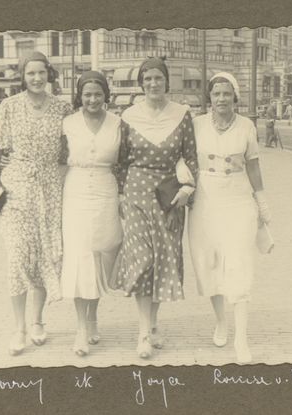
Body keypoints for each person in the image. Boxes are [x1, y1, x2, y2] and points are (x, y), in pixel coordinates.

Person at [0, 51, 72, 356]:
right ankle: (19, 327)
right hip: (17, 189)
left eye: (41, 72)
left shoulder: (62, 108)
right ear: (22, 76)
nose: (36, 78)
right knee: (18, 256)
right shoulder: (8, 107)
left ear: (49, 74)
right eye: (30, 73)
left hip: (49, 191)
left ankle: (37, 321)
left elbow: (69, 152)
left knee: (44, 255)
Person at [110, 57, 198, 359]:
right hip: (137, 193)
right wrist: (122, 194)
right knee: (144, 260)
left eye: (158, 78)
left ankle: (152, 323)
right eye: (147, 79)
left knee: (164, 259)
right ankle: (143, 333)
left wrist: (187, 189)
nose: (153, 83)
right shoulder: (129, 116)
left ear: (166, 81)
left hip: (169, 196)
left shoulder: (182, 115)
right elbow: (121, 160)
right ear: (141, 83)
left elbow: (191, 156)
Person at [187, 72, 272, 364]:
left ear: (235, 97)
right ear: (209, 98)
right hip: (205, 201)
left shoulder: (246, 126)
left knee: (239, 265)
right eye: (216, 94)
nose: (221, 99)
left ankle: (241, 339)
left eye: (226, 94)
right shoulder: (196, 124)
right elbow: (183, 159)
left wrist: (262, 201)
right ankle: (221, 321)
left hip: (238, 200)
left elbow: (254, 166)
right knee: (209, 263)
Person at [60, 71, 124, 357]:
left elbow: (125, 161)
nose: (93, 99)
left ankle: (93, 317)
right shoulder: (68, 124)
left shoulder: (118, 123)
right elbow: (58, 160)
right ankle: (80, 329)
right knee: (80, 257)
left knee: (101, 254)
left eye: (98, 94)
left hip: (105, 191)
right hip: (76, 192)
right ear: (80, 96)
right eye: (87, 94)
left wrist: (123, 195)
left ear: (105, 95)